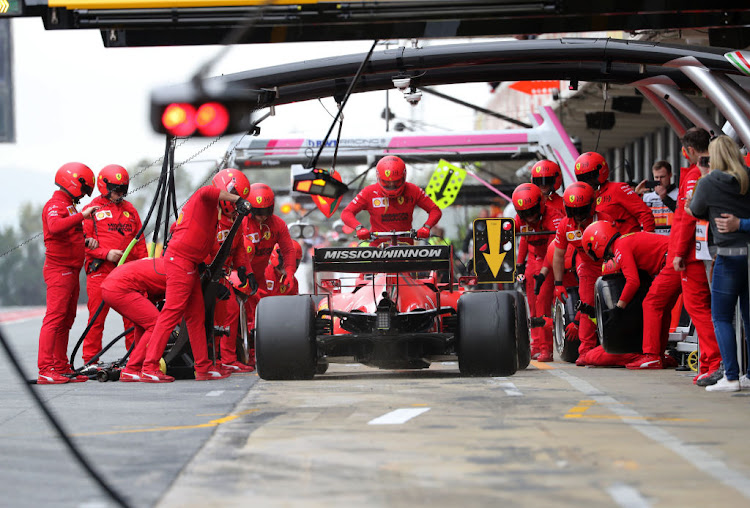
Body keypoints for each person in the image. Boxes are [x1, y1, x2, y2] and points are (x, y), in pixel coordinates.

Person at [137, 173, 254, 383]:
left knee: (196, 316)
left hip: (190, 263)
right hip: (179, 260)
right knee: (171, 312)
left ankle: (202, 367)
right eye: (234, 195)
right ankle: (149, 366)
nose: (235, 203)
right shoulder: (204, 198)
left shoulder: (216, 216)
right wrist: (238, 199)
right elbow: (207, 191)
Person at [626, 128, 721, 380]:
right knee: (699, 308)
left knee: (697, 309)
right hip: (695, 251)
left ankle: (714, 364)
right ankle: (709, 363)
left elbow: (686, 219)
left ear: (688, 151)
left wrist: (677, 252)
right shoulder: (705, 172)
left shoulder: (692, 176)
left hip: (687, 254)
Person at [689, 135, 750, 392]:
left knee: (721, 317)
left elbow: (695, 210)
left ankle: (732, 376)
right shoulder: (747, 176)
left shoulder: (708, 182)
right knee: (749, 317)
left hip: (728, 255)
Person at [580, 221, 674, 368]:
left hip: (671, 261)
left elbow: (633, 281)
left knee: (651, 304)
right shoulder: (625, 241)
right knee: (662, 307)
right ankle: (659, 354)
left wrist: (619, 307)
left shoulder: (620, 246)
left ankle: (652, 356)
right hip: (674, 259)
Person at [38, 162, 98, 384]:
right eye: (83, 190)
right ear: (74, 182)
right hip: (58, 270)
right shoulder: (55, 205)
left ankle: (60, 366)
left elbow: (68, 234)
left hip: (72, 270)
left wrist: (85, 241)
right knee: (54, 318)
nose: (83, 195)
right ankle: (45, 368)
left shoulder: (69, 206)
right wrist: (83, 216)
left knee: (67, 319)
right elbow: (54, 227)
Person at [81, 165, 148, 364]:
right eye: (115, 188)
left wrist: (144, 265)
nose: (119, 192)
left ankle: (135, 359)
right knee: (96, 318)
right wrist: (105, 253)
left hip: (127, 274)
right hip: (100, 271)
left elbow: (140, 241)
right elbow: (82, 241)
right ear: (104, 186)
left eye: (123, 188)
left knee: (133, 317)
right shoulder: (91, 209)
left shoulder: (130, 210)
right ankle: (90, 361)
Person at [551, 182, 612, 364]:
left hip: (610, 264)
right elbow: (558, 255)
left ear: (592, 206)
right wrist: (558, 283)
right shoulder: (565, 226)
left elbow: (618, 248)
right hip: (587, 266)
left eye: (581, 211)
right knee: (586, 305)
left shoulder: (605, 220)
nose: (577, 216)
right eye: (573, 211)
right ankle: (586, 350)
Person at [208, 169, 255, 374]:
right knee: (208, 317)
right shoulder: (206, 216)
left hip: (220, 276)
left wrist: (246, 271)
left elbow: (239, 249)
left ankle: (226, 359)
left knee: (231, 310)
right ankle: (211, 360)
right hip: (201, 276)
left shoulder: (235, 220)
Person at [512, 183, 564, 361]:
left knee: (542, 302)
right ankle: (534, 344)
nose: (530, 216)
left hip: (549, 261)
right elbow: (523, 239)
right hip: (531, 261)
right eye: (524, 213)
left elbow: (554, 250)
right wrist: (519, 265)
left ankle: (546, 349)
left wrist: (543, 273)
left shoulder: (554, 217)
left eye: (532, 211)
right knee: (531, 303)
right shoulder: (520, 220)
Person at [341, 155, 442, 245]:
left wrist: (426, 227)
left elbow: (435, 210)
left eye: (396, 182)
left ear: (404, 176)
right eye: (386, 183)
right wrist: (359, 228)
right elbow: (346, 213)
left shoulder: (413, 190)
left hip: (406, 247)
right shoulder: (369, 192)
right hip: (378, 247)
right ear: (378, 178)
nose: (391, 185)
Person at [100, 257, 168, 381]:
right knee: (157, 324)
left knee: (144, 324)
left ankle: (138, 366)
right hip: (120, 287)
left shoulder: (166, 263)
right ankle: (133, 368)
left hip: (113, 285)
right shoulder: (178, 271)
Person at [574, 152, 655, 234]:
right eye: (583, 178)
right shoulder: (583, 198)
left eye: (590, 176)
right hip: (599, 243)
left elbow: (645, 213)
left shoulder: (618, 189)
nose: (587, 181)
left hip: (626, 242)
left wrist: (647, 239)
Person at [636, 160, 678, 236]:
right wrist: (636, 195)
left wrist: (665, 198)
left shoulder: (679, 193)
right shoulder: (646, 197)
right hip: (653, 239)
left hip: (672, 238)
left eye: (662, 177)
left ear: (670, 175)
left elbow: (683, 214)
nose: (659, 180)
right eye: (656, 177)